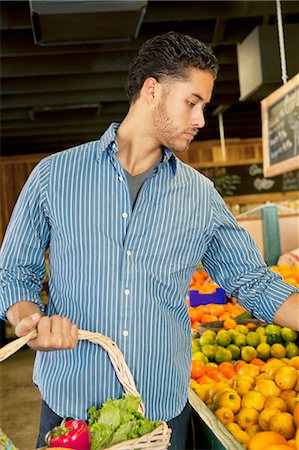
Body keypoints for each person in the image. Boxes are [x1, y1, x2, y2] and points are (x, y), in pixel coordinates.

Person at [0, 31, 298, 449]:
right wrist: (29, 318)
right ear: (152, 90)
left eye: (204, 107)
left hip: (160, 412)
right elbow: (14, 271)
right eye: (192, 103)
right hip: (70, 408)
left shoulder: (200, 196)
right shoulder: (55, 177)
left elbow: (253, 281)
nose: (200, 120)